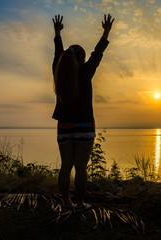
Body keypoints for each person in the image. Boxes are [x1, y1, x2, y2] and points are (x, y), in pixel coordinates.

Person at [51, 14, 114, 209]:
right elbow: (98, 53)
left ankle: (66, 203)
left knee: (65, 167)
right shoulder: (86, 73)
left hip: (64, 126)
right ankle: (79, 203)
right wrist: (106, 32)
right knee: (80, 168)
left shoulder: (58, 71)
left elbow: (57, 54)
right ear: (82, 59)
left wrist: (57, 34)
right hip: (85, 126)